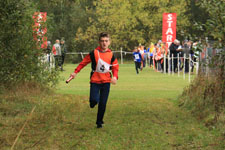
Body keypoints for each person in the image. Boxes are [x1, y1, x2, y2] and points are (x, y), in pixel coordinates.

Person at [69, 32, 119, 128]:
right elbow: (83, 62)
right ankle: (93, 102)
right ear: (99, 42)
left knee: (103, 103)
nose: (104, 43)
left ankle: (99, 122)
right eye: (102, 41)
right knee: (93, 101)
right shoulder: (94, 53)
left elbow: (115, 67)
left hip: (106, 82)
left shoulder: (111, 54)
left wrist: (115, 77)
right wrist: (75, 72)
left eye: (106, 41)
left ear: (109, 42)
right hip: (95, 81)